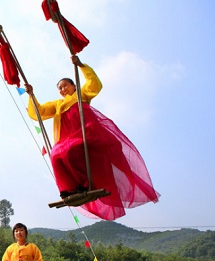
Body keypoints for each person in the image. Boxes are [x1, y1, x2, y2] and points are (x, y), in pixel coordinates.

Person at [25, 55, 159, 220]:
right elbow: (38, 112)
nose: (62, 89)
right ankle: (68, 189)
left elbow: (95, 85)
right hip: (66, 138)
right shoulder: (58, 105)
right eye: (59, 88)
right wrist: (31, 95)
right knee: (56, 155)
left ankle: (85, 184)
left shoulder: (82, 94)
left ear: (74, 86)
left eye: (65, 85)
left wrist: (81, 65)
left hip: (85, 131)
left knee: (70, 150)